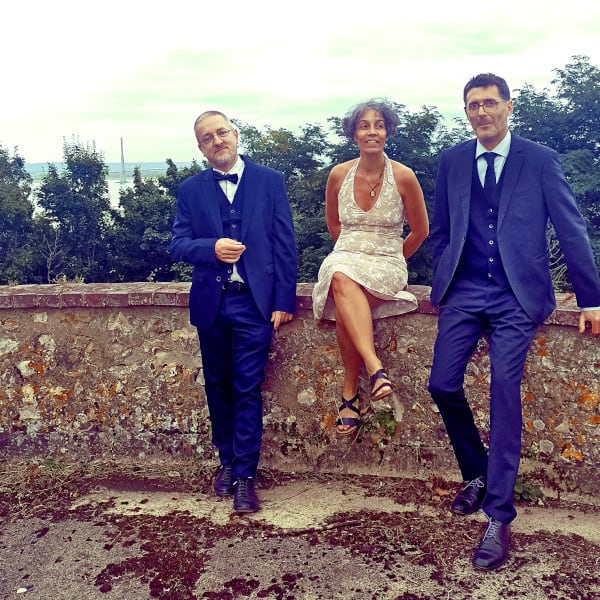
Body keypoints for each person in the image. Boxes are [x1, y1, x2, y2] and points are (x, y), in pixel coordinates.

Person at [428, 73, 600, 571]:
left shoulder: (539, 159)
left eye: (489, 103)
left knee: (504, 388)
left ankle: (499, 516)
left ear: (508, 106)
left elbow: (570, 228)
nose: (481, 112)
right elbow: (442, 230)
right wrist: (444, 276)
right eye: (472, 105)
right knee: (441, 383)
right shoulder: (452, 160)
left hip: (516, 295)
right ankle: (477, 474)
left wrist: (591, 299)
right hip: (464, 292)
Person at [170, 110, 298, 513]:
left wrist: (283, 300)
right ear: (201, 148)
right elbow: (177, 244)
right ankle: (226, 461)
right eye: (207, 138)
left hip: (254, 304)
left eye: (221, 132)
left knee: (246, 388)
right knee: (217, 386)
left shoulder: (270, 180)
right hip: (212, 303)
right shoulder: (190, 190)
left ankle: (245, 476)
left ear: (235, 134)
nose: (217, 141)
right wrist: (210, 248)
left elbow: (284, 243)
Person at [312, 99, 429, 436]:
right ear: (354, 134)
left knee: (344, 298)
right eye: (364, 126)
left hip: (387, 262)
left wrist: (394, 256)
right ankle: (376, 368)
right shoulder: (338, 175)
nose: (372, 131)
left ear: (388, 131)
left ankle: (350, 393)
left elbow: (421, 230)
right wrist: (352, 250)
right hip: (346, 256)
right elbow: (334, 224)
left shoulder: (404, 177)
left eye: (378, 125)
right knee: (340, 274)